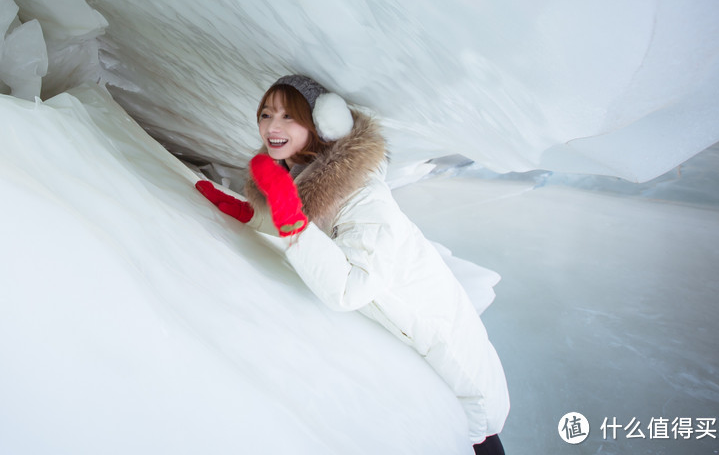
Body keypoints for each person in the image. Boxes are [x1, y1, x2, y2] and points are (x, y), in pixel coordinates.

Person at [195, 75, 509, 454]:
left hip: (458, 369)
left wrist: (290, 220)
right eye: (266, 114)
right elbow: (312, 218)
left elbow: (349, 288)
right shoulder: (307, 175)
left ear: (321, 125)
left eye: (289, 117)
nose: (272, 127)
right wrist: (251, 212)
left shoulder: (365, 196)